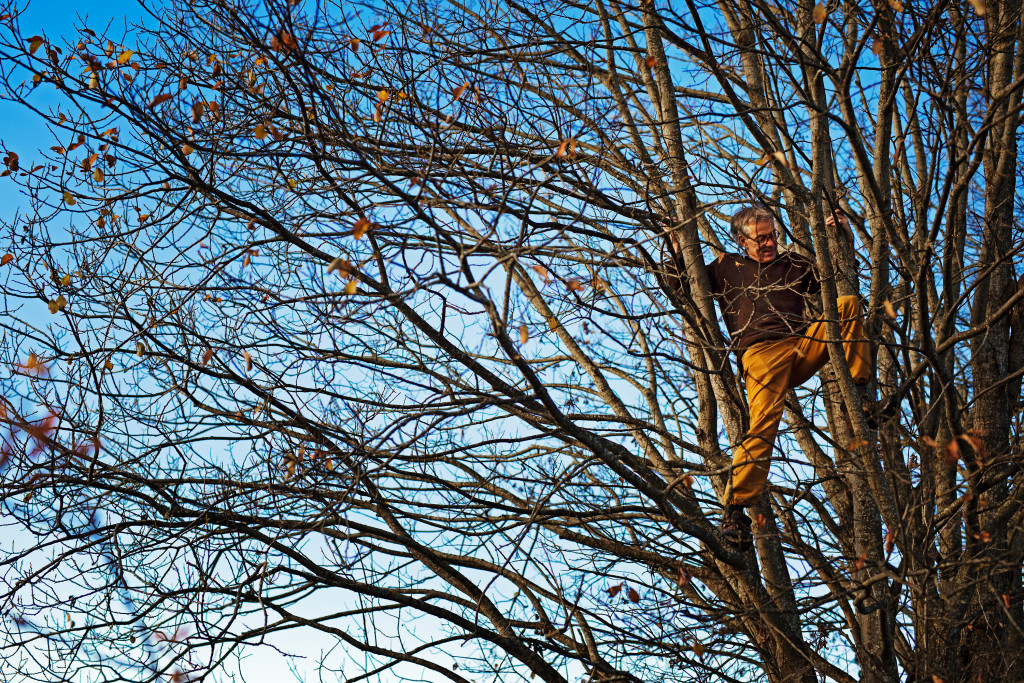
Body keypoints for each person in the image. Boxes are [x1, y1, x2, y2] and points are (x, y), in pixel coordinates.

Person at [671, 205, 872, 550]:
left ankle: (863, 399)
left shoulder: (793, 263)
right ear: (741, 240)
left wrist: (845, 239)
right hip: (760, 353)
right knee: (763, 425)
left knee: (849, 303)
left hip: (800, 344)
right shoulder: (726, 266)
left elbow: (838, 281)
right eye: (760, 238)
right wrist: (675, 247)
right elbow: (683, 289)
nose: (768, 243)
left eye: (772, 236)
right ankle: (735, 509)